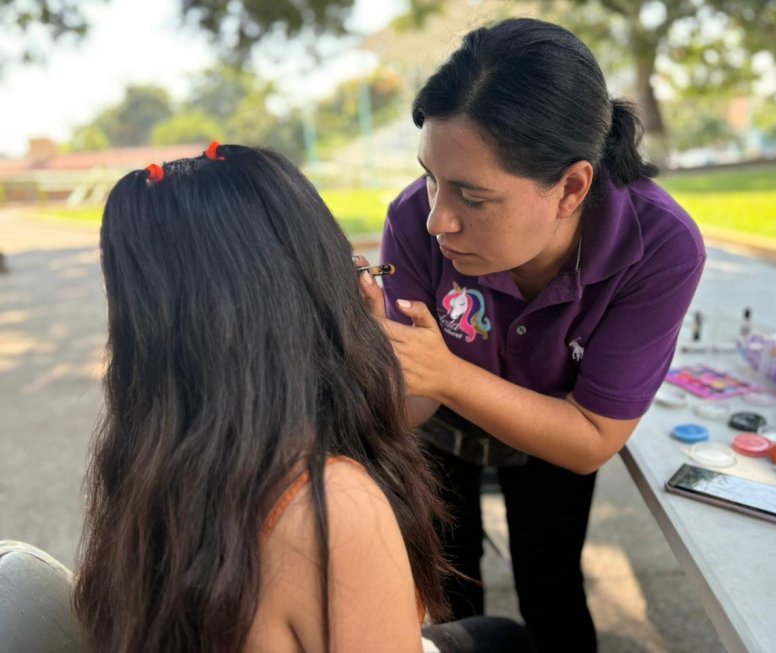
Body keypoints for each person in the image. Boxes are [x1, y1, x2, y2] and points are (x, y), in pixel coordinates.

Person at [72, 143, 533, 653]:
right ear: (309, 292)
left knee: (498, 635)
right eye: (344, 263)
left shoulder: (151, 457)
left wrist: (366, 373)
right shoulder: (330, 508)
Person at [357, 18, 706, 652]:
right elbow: (407, 408)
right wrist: (379, 361)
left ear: (572, 187)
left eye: (471, 195)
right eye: (431, 177)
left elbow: (591, 439)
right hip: (441, 434)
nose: (439, 220)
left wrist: (446, 372)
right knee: (448, 591)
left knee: (552, 589)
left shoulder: (657, 245)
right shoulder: (415, 218)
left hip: (555, 434)